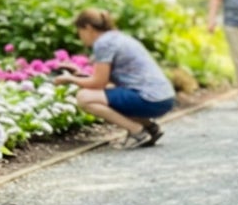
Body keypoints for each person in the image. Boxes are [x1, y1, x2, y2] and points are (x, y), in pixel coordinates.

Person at [54, 10, 176, 149]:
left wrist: (70, 80)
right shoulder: (116, 38)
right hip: (163, 98)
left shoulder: (103, 43)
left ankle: (137, 131)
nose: (80, 36)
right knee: (107, 94)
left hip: (150, 99)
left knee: (84, 97)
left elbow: (99, 83)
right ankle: (150, 128)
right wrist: (78, 74)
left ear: (88, 28)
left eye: (79, 31)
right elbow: (105, 80)